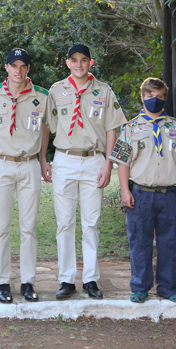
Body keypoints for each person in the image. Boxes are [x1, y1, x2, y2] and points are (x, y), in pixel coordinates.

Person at [44, 44, 127, 300]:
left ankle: (91, 279)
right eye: (74, 60)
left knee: (91, 223)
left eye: (83, 60)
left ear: (90, 63)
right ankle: (66, 279)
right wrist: (43, 159)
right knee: (65, 223)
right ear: (67, 63)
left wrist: (109, 164)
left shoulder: (104, 91)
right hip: (64, 159)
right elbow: (47, 126)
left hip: (93, 160)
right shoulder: (56, 90)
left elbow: (112, 129)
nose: (78, 64)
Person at [109, 77, 176, 304]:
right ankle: (140, 287)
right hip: (141, 194)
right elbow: (122, 162)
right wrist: (125, 191)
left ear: (164, 98)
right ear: (143, 98)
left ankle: (168, 287)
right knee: (139, 242)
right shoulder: (130, 128)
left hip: (170, 195)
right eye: (150, 96)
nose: (154, 100)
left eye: (158, 96)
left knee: (170, 242)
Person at [0, 48, 51, 303]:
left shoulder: (41, 96)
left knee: (28, 228)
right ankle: (3, 282)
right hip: (2, 164)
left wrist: (43, 159)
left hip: (29, 165)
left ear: (28, 69)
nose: (18, 70)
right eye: (14, 65)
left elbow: (45, 128)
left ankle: (28, 281)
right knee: (2, 228)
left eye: (23, 66)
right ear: (6, 67)